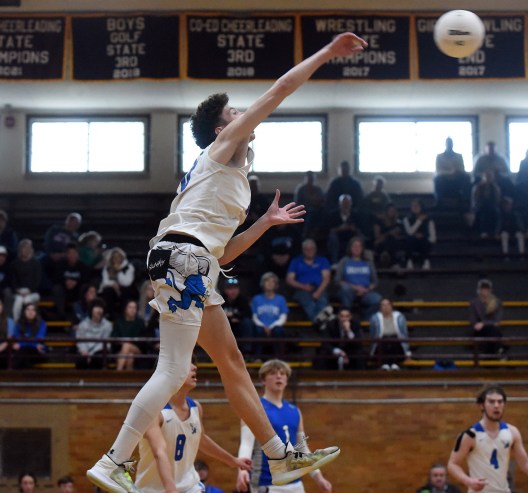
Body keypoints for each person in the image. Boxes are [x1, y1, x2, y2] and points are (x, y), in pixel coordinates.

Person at [87, 31, 363, 493]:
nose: (243, 114)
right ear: (222, 129)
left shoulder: (227, 175)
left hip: (191, 261)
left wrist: (264, 224)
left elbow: (222, 253)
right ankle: (114, 459)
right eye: (235, 112)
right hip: (182, 257)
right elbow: (279, 90)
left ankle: (278, 456)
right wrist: (328, 53)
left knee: (232, 361)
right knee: (172, 370)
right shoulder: (218, 151)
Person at [135, 363, 252, 493]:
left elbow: (201, 440)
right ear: (169, 372)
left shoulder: (195, 407)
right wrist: (171, 489)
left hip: (190, 486)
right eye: (187, 363)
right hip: (152, 489)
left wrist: (232, 461)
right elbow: (159, 452)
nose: (194, 367)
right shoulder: (154, 411)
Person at [236, 359, 334, 493]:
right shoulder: (254, 408)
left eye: (282, 373)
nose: (278, 376)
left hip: (296, 484)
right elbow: (246, 444)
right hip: (266, 483)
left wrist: (318, 477)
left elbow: (302, 448)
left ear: (287, 380)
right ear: (263, 380)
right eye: (273, 373)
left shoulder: (295, 411)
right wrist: (242, 470)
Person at [447, 386, 528, 493]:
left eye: (500, 402)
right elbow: (453, 464)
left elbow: (525, 464)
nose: (496, 405)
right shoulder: (470, 435)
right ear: (481, 405)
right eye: (491, 402)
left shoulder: (512, 432)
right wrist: (469, 481)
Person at [334, 236, 381, 320]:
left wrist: (367, 289)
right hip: (348, 292)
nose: (356, 248)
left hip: (365, 292)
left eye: (359, 246)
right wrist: (355, 288)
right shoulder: (344, 261)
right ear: (350, 248)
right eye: (354, 246)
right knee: (346, 290)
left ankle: (366, 319)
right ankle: (347, 317)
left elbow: (375, 281)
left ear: (362, 248)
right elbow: (338, 280)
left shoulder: (368, 262)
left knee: (377, 299)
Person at [286, 239, 331, 323]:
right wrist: (303, 287)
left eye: (312, 248)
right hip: (301, 290)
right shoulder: (296, 261)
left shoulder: (323, 260)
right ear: (303, 250)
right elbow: (289, 279)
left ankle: (319, 323)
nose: (309, 251)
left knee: (322, 300)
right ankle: (319, 322)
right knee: (308, 302)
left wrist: (318, 292)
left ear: (315, 249)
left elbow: (326, 279)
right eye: (307, 249)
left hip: (319, 288)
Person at [251, 272, 289, 361]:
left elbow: (283, 317)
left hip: (275, 326)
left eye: (272, 282)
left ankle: (278, 357)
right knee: (257, 330)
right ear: (262, 284)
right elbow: (254, 316)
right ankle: (257, 358)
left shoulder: (281, 299)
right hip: (260, 326)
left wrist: (271, 327)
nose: (269, 284)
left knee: (278, 330)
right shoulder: (256, 299)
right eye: (267, 281)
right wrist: (263, 326)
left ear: (276, 285)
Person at [369, 298, 412, 371]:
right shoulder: (375, 318)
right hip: (381, 344)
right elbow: (373, 335)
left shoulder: (399, 317)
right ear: (380, 307)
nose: (386, 307)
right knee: (384, 341)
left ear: (391, 306)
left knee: (393, 340)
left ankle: (394, 364)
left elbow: (404, 333)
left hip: (397, 344)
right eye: (383, 305)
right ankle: (384, 364)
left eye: (388, 304)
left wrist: (407, 350)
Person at [7, 238, 42, 321]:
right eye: (24, 248)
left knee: (27, 300)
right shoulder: (14, 264)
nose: (26, 250)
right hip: (18, 293)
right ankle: (16, 323)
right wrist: (18, 290)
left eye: (28, 248)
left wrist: (30, 291)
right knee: (18, 300)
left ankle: (30, 322)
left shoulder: (36, 264)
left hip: (33, 293)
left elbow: (38, 281)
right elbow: (13, 281)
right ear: (20, 249)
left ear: (31, 249)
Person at [98, 247, 137, 318]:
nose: (117, 259)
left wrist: (119, 271)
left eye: (119, 257)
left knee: (126, 291)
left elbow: (127, 282)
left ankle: (125, 314)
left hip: (125, 291)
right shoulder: (107, 268)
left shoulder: (129, 267)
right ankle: (109, 314)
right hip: (112, 290)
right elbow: (105, 281)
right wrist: (113, 284)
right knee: (108, 291)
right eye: (114, 257)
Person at [469, 279, 504, 357]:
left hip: (493, 330)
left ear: (490, 290)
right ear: (479, 290)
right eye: (483, 289)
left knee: (493, 331)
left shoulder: (496, 302)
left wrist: (483, 323)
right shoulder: (474, 303)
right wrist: (477, 324)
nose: (485, 291)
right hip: (480, 331)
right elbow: (472, 319)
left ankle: (492, 356)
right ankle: (497, 352)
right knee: (492, 333)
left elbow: (497, 320)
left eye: (486, 289)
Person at [75, 297, 113, 370]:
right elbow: (80, 341)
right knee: (80, 359)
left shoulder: (107, 325)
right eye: (97, 307)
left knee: (99, 358)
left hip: (99, 351)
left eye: (101, 308)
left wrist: (91, 355)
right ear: (91, 309)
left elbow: (105, 343)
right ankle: (81, 380)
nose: (99, 310)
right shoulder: (83, 324)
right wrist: (84, 352)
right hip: (85, 351)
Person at [221, 277, 254, 356]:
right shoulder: (220, 300)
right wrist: (233, 317)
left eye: (235, 288)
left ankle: (247, 352)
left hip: (239, 328)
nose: (233, 291)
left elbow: (248, 315)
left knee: (247, 323)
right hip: (225, 328)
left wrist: (232, 316)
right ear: (225, 290)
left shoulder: (243, 300)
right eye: (230, 288)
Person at [434, 137, 470, 208]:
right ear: (445, 144)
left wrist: (456, 171)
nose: (449, 145)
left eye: (451, 143)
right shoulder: (439, 156)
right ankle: (439, 201)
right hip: (444, 178)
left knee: (466, 177)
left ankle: (465, 200)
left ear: (453, 144)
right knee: (437, 178)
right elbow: (438, 170)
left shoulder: (459, 156)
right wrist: (450, 172)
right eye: (448, 143)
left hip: (457, 177)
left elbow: (462, 168)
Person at [111, 299, 147, 371]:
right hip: (121, 350)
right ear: (125, 309)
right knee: (130, 355)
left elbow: (143, 340)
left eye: (134, 308)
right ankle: (128, 380)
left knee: (126, 345)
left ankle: (118, 373)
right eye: (130, 307)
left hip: (137, 349)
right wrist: (122, 343)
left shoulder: (140, 323)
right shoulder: (119, 322)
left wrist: (128, 343)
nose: (132, 310)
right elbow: (114, 337)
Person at [10, 302, 47, 369]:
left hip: (36, 352)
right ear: (24, 311)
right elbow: (17, 337)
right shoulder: (19, 323)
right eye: (28, 309)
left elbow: (39, 339)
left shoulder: (42, 323)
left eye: (33, 310)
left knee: (24, 353)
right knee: (24, 355)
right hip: (24, 351)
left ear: (36, 312)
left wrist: (21, 344)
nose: (30, 312)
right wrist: (34, 344)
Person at [403, 198, 437, 270]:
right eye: (413, 206)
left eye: (417, 205)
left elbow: (433, 236)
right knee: (409, 239)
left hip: (424, 242)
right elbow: (410, 232)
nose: (415, 207)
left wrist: (424, 236)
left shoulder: (429, 219)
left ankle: (426, 261)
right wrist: (419, 220)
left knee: (425, 240)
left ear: (421, 207)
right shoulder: (406, 219)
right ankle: (409, 261)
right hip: (412, 242)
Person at [293, 170, 325, 238]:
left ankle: (308, 234)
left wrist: (314, 204)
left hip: (317, 212)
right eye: (309, 178)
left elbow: (322, 202)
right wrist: (312, 204)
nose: (311, 180)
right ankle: (306, 235)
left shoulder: (318, 189)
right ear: (305, 179)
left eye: (312, 178)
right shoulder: (301, 189)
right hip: (303, 212)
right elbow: (298, 204)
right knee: (310, 213)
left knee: (314, 213)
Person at [0, 297, 15, 369]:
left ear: (2, 307)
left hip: (4, 347)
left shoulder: (9, 321)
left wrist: (1, 347)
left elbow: (10, 338)